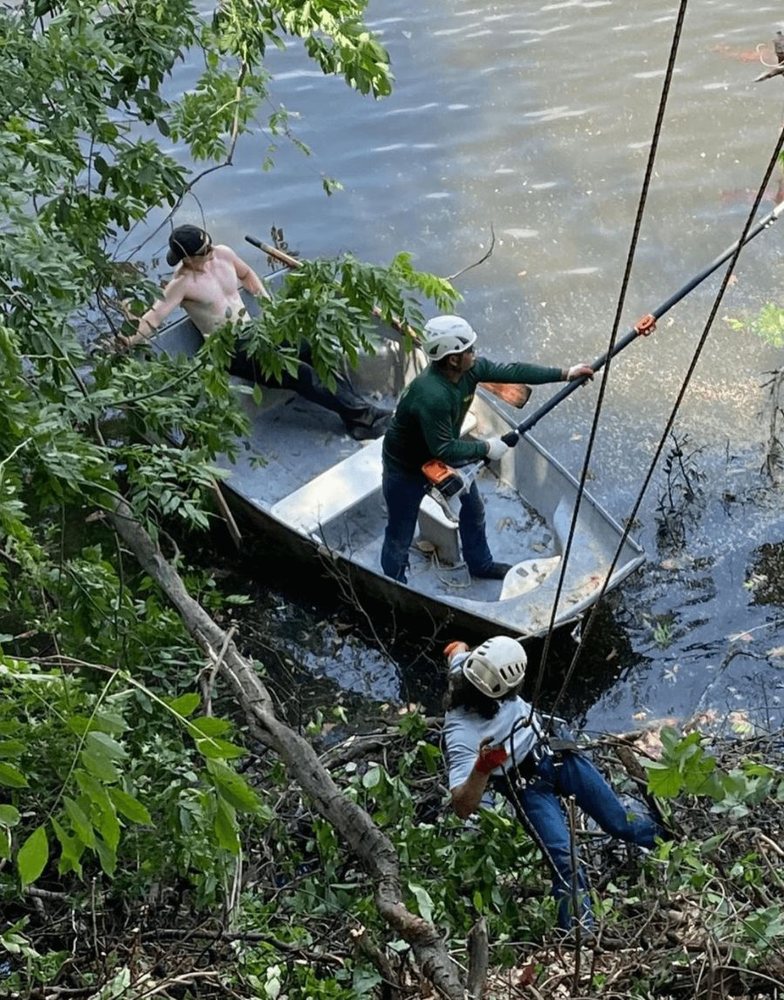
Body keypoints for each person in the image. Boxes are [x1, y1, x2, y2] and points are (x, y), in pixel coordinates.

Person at [443, 636, 663, 934]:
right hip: (527, 787)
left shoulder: (469, 668)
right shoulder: (460, 731)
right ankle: (578, 937)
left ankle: (673, 845)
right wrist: (483, 768)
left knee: (620, 822)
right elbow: (462, 806)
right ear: (500, 692)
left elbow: (458, 654)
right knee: (565, 860)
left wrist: (457, 648)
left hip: (556, 755)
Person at [117, 225, 391, 440]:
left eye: (210, 245)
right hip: (230, 349)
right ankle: (365, 417)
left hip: (257, 330)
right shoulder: (181, 283)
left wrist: (268, 307)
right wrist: (127, 340)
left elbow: (247, 275)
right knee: (301, 372)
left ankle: (355, 414)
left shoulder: (222, 254)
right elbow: (154, 317)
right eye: (204, 252)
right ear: (188, 259)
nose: (211, 253)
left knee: (312, 346)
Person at [380, 315, 595, 582]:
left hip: (440, 458)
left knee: (473, 510)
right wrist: (487, 447)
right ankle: (395, 581)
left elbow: (513, 372)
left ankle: (480, 564)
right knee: (400, 531)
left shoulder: (471, 370)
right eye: (469, 349)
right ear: (453, 359)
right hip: (406, 468)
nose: (475, 352)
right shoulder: (432, 394)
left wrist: (564, 374)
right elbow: (445, 448)